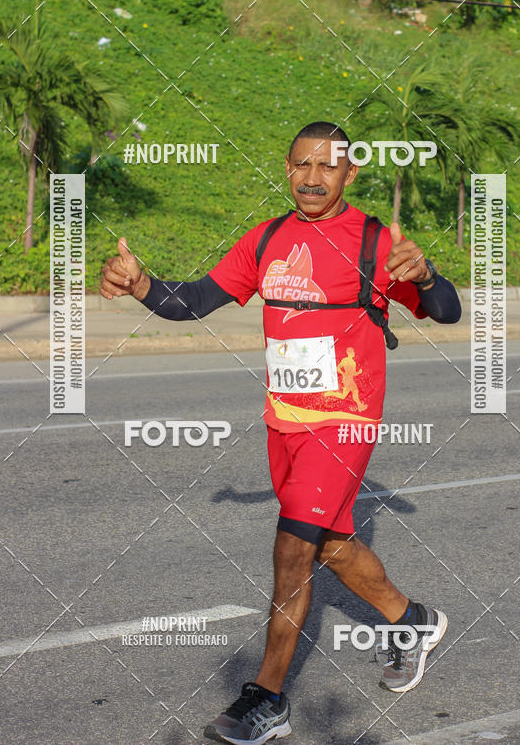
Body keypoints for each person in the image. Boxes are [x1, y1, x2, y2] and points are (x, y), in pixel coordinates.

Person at [100, 121, 462, 745]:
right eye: (301, 165)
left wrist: (426, 276)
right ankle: (414, 621)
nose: (313, 177)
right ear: (287, 168)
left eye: (328, 166)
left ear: (350, 174)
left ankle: (268, 698)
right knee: (328, 546)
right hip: (284, 422)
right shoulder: (267, 238)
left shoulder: (375, 242)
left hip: (343, 422)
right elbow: (193, 301)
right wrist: (141, 285)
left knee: (292, 549)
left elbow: (449, 309)